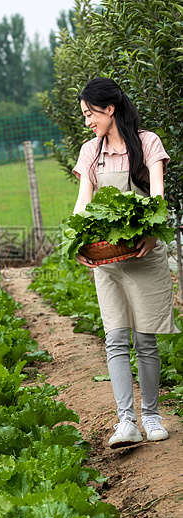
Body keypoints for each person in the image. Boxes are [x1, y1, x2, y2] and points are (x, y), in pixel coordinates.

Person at [72, 77, 178, 449]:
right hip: (109, 259)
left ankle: (151, 415)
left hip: (143, 254)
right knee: (115, 337)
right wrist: (79, 242)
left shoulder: (147, 143)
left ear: (110, 109)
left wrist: (152, 232)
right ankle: (126, 421)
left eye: (90, 114)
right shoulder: (90, 152)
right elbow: (83, 205)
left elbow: (158, 198)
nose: (88, 122)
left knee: (145, 338)